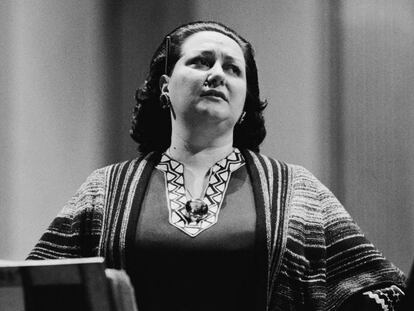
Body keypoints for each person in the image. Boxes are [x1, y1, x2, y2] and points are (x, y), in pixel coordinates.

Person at [28, 21, 406, 310]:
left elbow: (380, 292)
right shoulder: (105, 189)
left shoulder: (297, 189)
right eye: (201, 62)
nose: (217, 74)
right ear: (164, 86)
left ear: (245, 102)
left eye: (233, 69)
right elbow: (29, 289)